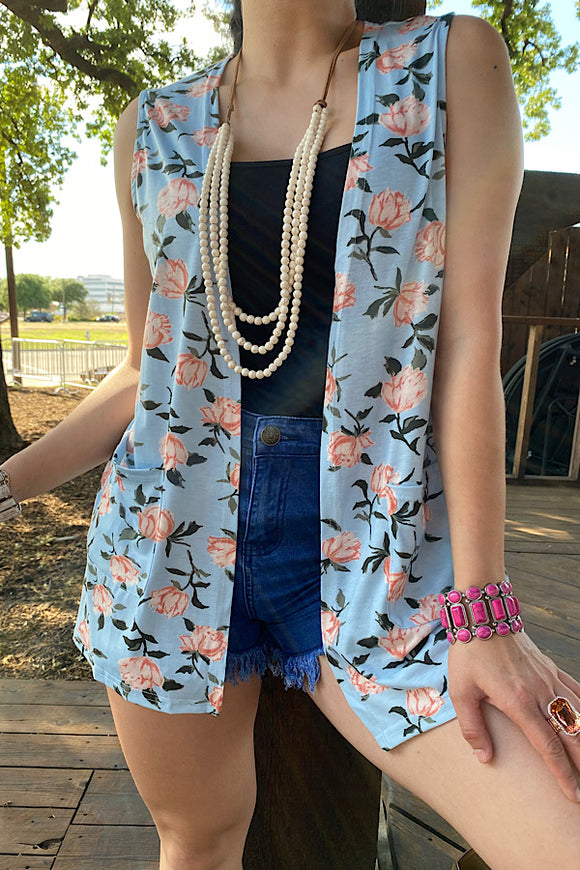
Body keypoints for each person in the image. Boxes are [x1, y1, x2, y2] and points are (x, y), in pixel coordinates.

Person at [1, 1, 579, 868]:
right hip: (165, 542)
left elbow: (467, 343)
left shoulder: (450, 61)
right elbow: (141, 370)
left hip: (382, 544)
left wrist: (485, 610)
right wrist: (7, 483)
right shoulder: (151, 125)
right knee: (198, 839)